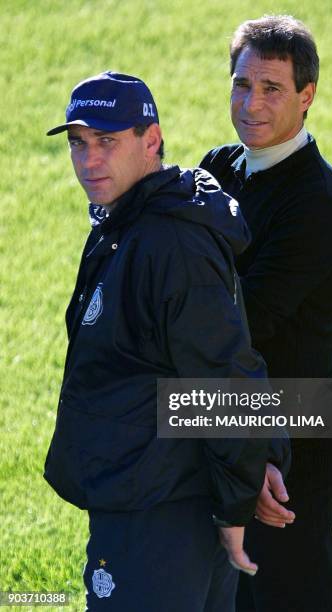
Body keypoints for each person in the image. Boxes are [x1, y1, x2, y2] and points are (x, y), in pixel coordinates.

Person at [43, 71, 290, 612]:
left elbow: (223, 373)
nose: (89, 161)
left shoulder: (166, 242)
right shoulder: (129, 222)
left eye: (107, 142)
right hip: (150, 497)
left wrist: (233, 507)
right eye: (78, 144)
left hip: (159, 515)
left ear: (150, 141)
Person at [200, 15, 332, 612]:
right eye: (242, 84)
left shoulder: (317, 202)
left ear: (306, 96)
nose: (251, 103)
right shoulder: (218, 168)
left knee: (296, 593)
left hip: (296, 426)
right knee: (234, 595)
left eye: (271, 88)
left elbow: (245, 321)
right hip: (227, 411)